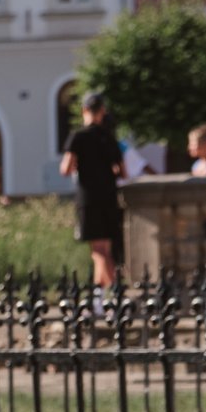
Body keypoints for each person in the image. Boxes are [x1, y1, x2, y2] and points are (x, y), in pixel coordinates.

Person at [60, 92, 125, 293]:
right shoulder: (109, 137)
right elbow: (122, 170)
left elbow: (66, 169)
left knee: (98, 250)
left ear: (84, 110)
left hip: (88, 197)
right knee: (106, 247)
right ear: (102, 112)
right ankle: (102, 293)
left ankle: (110, 291)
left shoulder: (78, 136)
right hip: (109, 196)